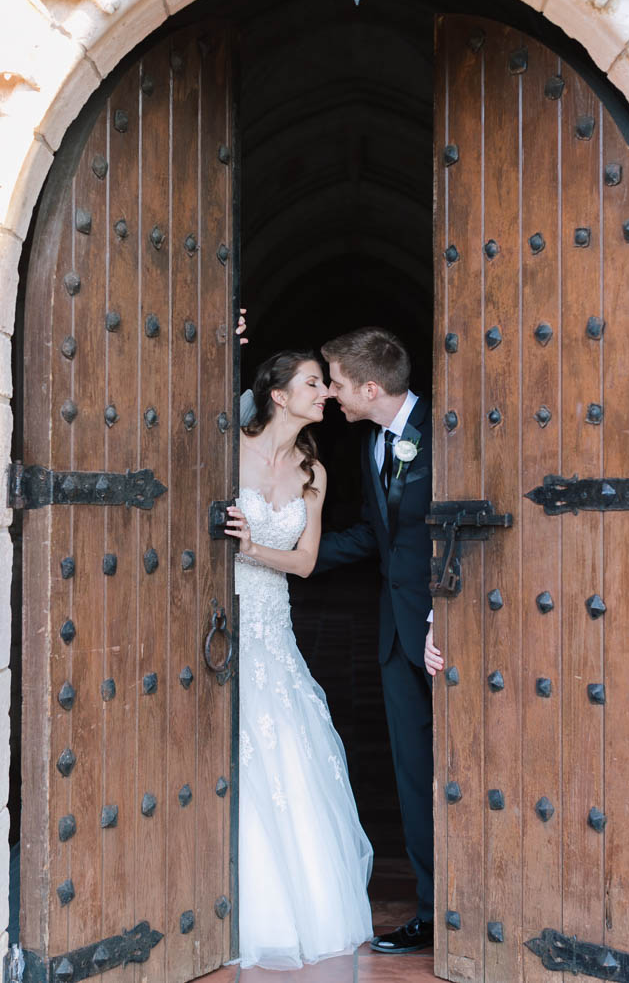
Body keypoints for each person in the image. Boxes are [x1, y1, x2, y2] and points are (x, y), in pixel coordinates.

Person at [225, 349, 373, 970]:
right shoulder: (226, 447)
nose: (327, 393)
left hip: (272, 626)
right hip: (221, 622)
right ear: (279, 396)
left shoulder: (313, 472)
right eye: (315, 383)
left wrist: (256, 549)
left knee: (285, 750)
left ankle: (293, 910)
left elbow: (307, 562)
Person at [314, 326, 435, 954]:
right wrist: (295, 553)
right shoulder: (373, 446)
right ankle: (431, 909)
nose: (331, 395)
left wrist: (447, 619)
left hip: (450, 638)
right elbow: (373, 534)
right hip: (396, 637)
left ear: (367, 387)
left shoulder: (447, 431)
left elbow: (466, 529)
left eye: (335, 383)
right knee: (414, 775)